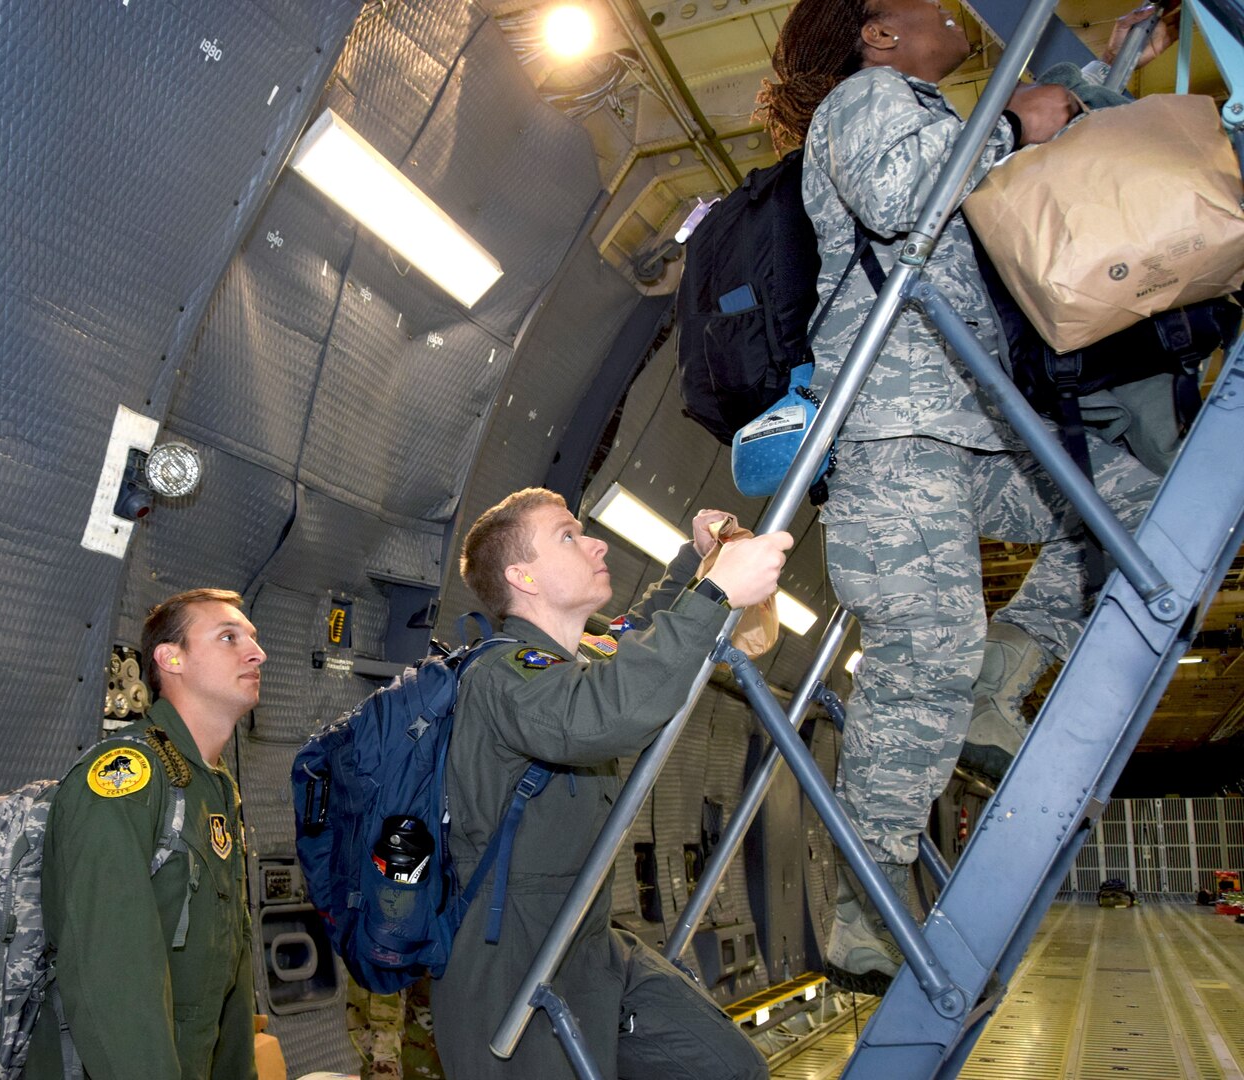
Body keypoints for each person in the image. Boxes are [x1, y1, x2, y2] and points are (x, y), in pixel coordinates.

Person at [753, 0, 1167, 993]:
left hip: (974, 426)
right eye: (920, 3)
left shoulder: (936, 114)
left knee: (1126, 508)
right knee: (925, 648)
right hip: (890, 431)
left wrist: (1104, 79)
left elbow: (1036, 168)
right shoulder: (862, 101)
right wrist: (1012, 122)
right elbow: (902, 193)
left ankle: (1004, 675)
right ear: (876, 35)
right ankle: (865, 901)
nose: (951, 8)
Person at [430, 487, 792, 1080]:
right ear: (523, 576)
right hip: (508, 957)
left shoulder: (569, 659)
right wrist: (719, 592)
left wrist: (692, 563)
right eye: (568, 536)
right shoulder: (501, 674)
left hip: (588, 939)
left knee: (727, 1068)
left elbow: (637, 640)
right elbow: (604, 714)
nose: (595, 542)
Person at [23, 588, 265, 1080]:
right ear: (170, 658)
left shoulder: (213, 787)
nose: (257, 652)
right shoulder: (126, 777)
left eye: (253, 638)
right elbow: (110, 976)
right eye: (228, 637)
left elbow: (230, 979)